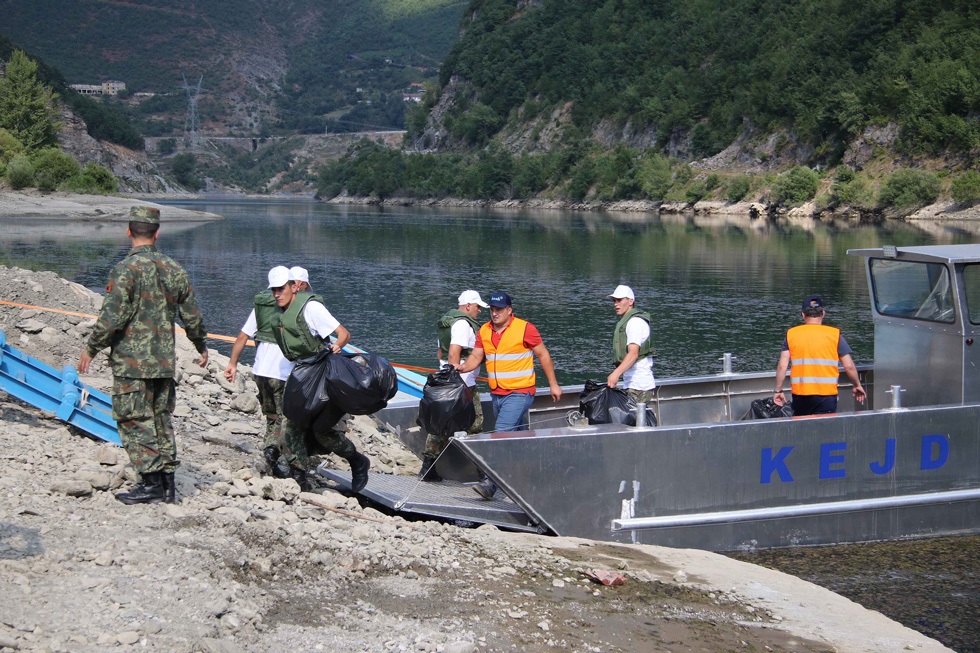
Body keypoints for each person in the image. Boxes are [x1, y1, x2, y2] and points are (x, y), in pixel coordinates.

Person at [78, 206, 208, 505]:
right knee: (160, 419)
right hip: (163, 362)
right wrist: (201, 345)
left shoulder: (125, 270)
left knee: (132, 419)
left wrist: (92, 347)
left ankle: (150, 484)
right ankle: (167, 484)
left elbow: (112, 317)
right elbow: (192, 317)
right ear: (157, 233)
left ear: (128, 231)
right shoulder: (175, 269)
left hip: (132, 363)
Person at [269, 271, 371, 492]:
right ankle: (300, 478)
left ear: (294, 287)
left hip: (324, 376)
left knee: (322, 431)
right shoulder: (281, 315)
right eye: (274, 290)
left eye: (281, 289)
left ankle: (357, 461)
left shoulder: (311, 308)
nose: (277, 294)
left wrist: (336, 346)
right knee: (292, 426)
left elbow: (343, 334)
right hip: (303, 374)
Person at [457, 291, 562, 499]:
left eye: (499, 310)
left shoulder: (525, 329)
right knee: (520, 436)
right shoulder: (485, 330)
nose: (494, 314)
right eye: (492, 310)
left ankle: (490, 484)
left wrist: (554, 385)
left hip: (520, 392)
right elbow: (477, 356)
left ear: (509, 310)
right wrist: (461, 368)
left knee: (501, 434)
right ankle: (535, 475)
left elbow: (543, 355)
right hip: (497, 393)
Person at [223, 266, 295, 477]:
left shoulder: (262, 307)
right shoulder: (298, 307)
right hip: (282, 374)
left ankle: (271, 459)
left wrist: (233, 364)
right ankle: (275, 458)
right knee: (287, 421)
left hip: (260, 372)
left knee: (271, 418)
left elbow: (242, 336)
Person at [420, 290, 488, 481]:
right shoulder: (463, 324)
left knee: (441, 425)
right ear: (468, 306)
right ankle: (485, 474)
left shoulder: (447, 322)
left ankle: (427, 468)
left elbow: (439, 354)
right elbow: (453, 352)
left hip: (446, 381)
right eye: (477, 307)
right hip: (462, 384)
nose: (480, 311)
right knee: (475, 425)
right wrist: (455, 380)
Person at [773, 295, 867, 416]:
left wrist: (778, 390)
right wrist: (857, 385)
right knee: (825, 431)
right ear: (823, 313)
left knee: (802, 430)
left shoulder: (791, 334)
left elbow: (782, 366)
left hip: (801, 395)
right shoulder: (835, 335)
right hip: (827, 395)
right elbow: (849, 366)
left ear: (803, 315)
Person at [606, 284, 655, 405]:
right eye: (614, 300)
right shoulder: (629, 321)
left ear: (630, 301)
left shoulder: (634, 323)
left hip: (639, 386)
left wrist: (615, 374)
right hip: (633, 383)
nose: (616, 304)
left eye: (619, 300)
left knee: (634, 420)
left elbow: (633, 354)